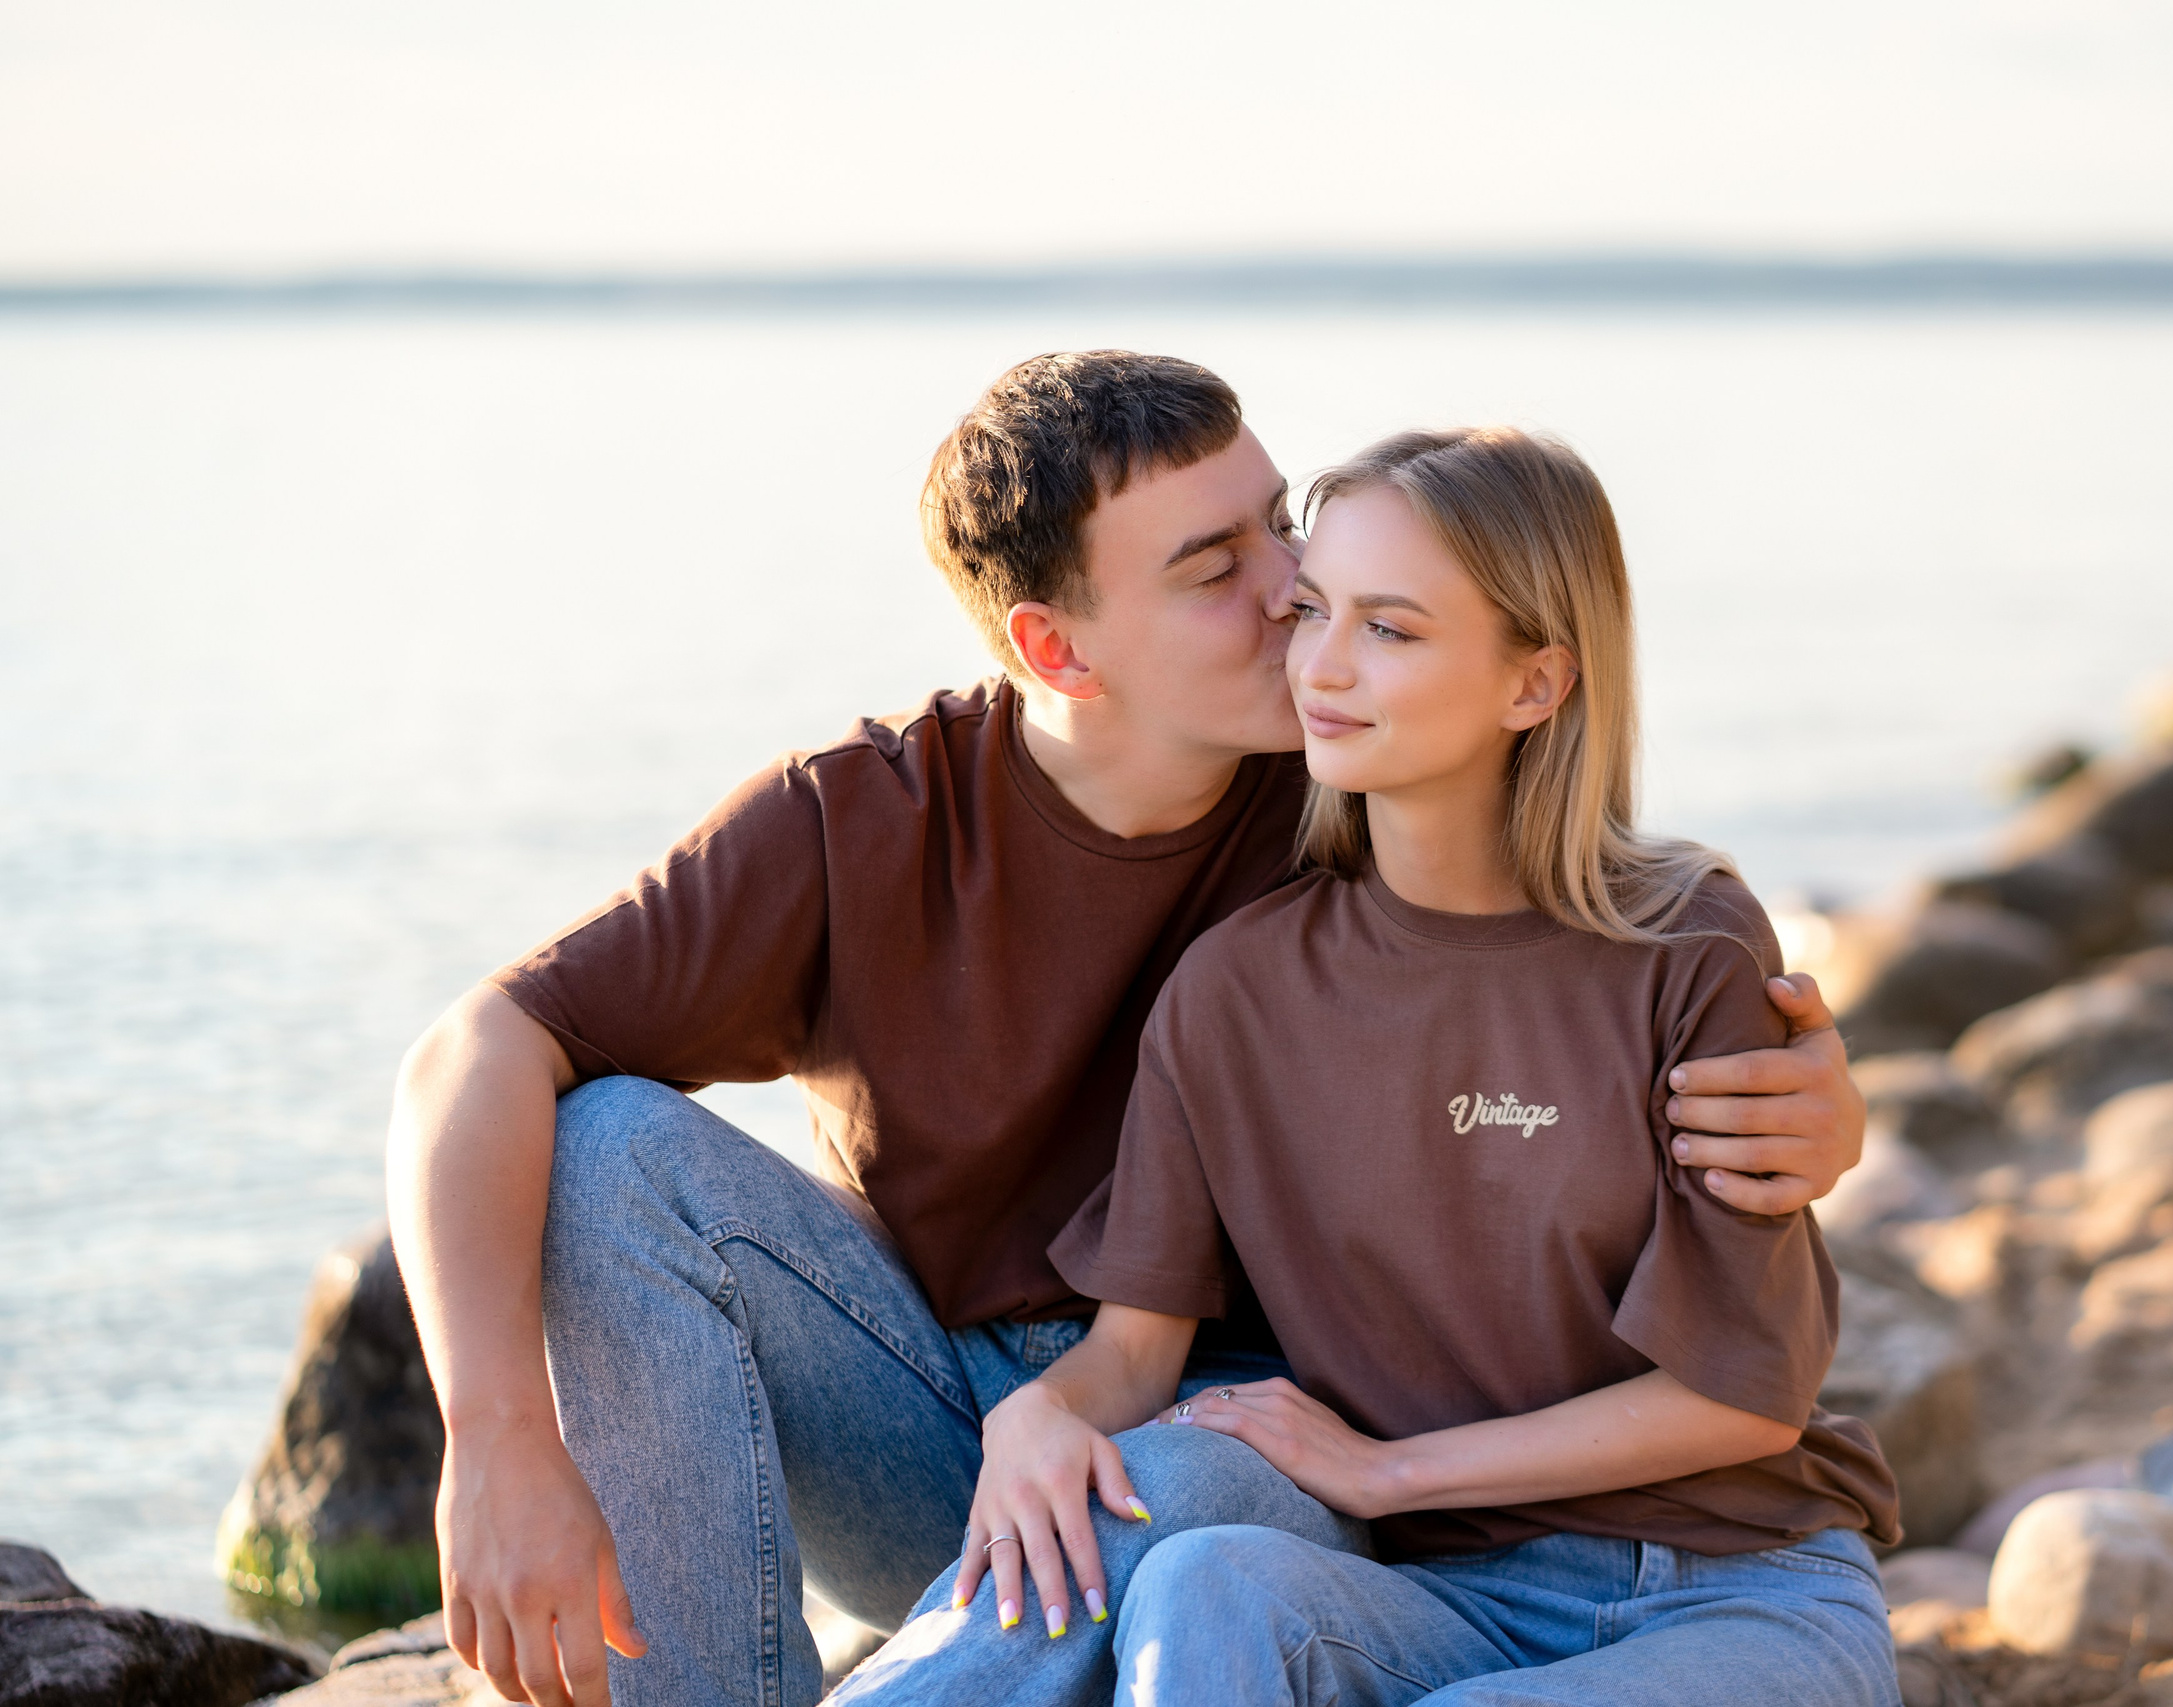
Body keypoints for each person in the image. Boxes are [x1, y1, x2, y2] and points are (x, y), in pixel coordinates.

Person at [386, 354, 1871, 1707]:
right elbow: (479, 1046)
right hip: (955, 1422)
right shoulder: (865, 818)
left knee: (1189, 1499)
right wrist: (499, 1436)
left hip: (1250, 1451)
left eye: (1283, 526)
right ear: (1061, 644)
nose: (1296, 594)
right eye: (1219, 566)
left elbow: (1572, 921)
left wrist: (1809, 1095)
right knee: (613, 1144)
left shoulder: (1359, 778)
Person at [846, 427, 1899, 1707]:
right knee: (1203, 1587)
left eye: (1390, 631)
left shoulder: (1685, 942)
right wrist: (1036, 1414)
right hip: (1440, 1601)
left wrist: (1388, 1472)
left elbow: (1740, 1401)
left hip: (1738, 1588)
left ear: (1535, 683)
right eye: (1310, 612)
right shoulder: (1236, 989)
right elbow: (1135, 1357)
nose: (1321, 667)